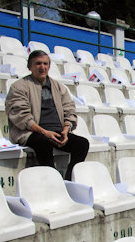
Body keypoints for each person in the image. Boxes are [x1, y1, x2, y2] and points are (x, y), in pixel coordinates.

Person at [5, 50, 89, 180]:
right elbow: (21, 116)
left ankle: (69, 180)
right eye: (38, 63)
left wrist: (66, 130)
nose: (42, 67)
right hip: (32, 132)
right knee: (44, 143)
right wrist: (45, 132)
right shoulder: (19, 87)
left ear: (49, 66)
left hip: (57, 132)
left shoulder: (58, 87)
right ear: (30, 67)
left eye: (45, 63)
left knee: (82, 144)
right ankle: (53, 180)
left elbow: (69, 109)